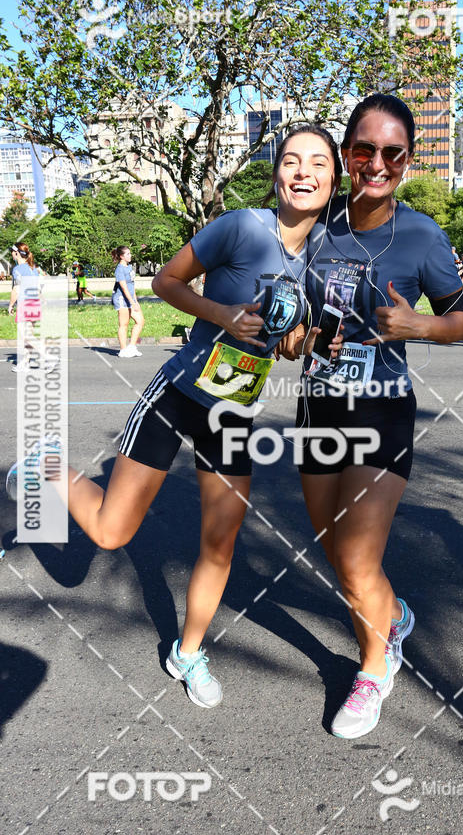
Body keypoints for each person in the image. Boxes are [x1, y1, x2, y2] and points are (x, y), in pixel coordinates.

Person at [7, 124, 342, 710]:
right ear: (276, 173)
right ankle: (43, 468)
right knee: (112, 533)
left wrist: (308, 345)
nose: (303, 171)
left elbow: (284, 344)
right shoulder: (240, 225)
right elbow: (165, 282)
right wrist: (224, 314)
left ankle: (187, 652)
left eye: (318, 162)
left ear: (333, 178)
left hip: (236, 411)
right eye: (291, 160)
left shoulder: (322, 260)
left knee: (220, 543)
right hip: (179, 392)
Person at [280, 94, 463, 739]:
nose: (376, 163)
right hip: (317, 406)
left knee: (360, 557)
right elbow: (295, 311)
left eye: (392, 153)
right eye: (363, 150)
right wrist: (297, 336)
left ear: (408, 162)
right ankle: (392, 613)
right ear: (347, 155)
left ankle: (373, 668)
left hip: (382, 411)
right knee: (331, 544)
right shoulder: (316, 225)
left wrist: (420, 323)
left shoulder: (421, 235)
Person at [7, 243, 41, 373]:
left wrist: (10, 305)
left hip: (25, 303)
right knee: (28, 336)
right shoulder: (33, 268)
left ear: (17, 253)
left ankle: (49, 358)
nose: (11, 254)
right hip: (35, 303)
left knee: (25, 336)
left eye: (12, 252)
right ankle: (25, 363)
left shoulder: (17, 269)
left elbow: (16, 289)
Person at [112, 245, 144, 357]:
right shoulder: (119, 269)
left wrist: (136, 301)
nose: (130, 256)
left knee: (140, 321)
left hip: (130, 299)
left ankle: (132, 347)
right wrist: (132, 302)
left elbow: (131, 286)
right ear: (121, 256)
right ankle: (123, 350)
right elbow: (124, 287)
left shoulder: (129, 267)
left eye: (130, 253)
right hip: (121, 299)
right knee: (124, 324)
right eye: (128, 254)